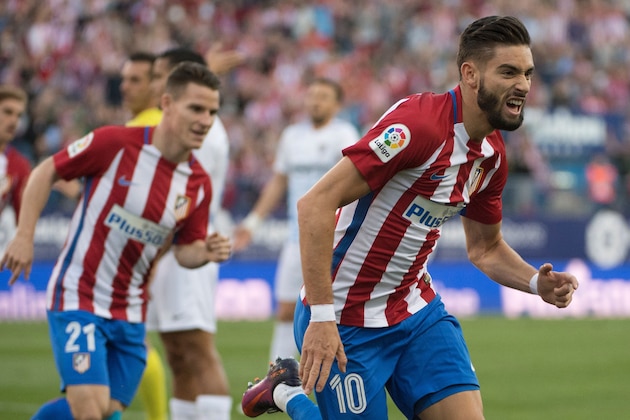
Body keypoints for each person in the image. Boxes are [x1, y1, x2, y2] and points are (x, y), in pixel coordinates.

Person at [241, 16, 580, 420]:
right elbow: (313, 205)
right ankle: (286, 392)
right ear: (470, 74)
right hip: (346, 318)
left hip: (416, 311)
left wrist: (534, 282)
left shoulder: (492, 156)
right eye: (508, 72)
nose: (523, 85)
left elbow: (485, 248)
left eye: (527, 73)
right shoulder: (417, 125)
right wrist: (321, 317)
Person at [1, 62, 231, 420]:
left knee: (106, 409)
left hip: (130, 309)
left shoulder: (197, 183)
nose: (205, 120)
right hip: (80, 294)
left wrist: (205, 252)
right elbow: (47, 170)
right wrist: (24, 235)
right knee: (91, 411)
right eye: (196, 108)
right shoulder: (114, 143)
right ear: (167, 103)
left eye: (213, 112)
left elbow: (185, 251)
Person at [145, 47, 242, 420]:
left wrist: (154, 254)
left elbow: (183, 200)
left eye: (160, 75)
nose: (155, 84)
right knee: (177, 354)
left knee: (198, 350)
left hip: (189, 240)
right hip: (167, 245)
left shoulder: (203, 132)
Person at [233, 77, 359, 362]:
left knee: (333, 311)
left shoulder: (344, 134)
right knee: (286, 310)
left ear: (336, 104)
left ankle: (343, 372)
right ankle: (277, 378)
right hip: (296, 236)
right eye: (312, 95)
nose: (315, 101)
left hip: (332, 236)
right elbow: (278, 183)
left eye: (323, 96)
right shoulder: (292, 136)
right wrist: (253, 223)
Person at [0, 85, 31, 253]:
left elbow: (22, 216)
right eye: (7, 112)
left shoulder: (19, 165)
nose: (14, 121)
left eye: (18, 115)